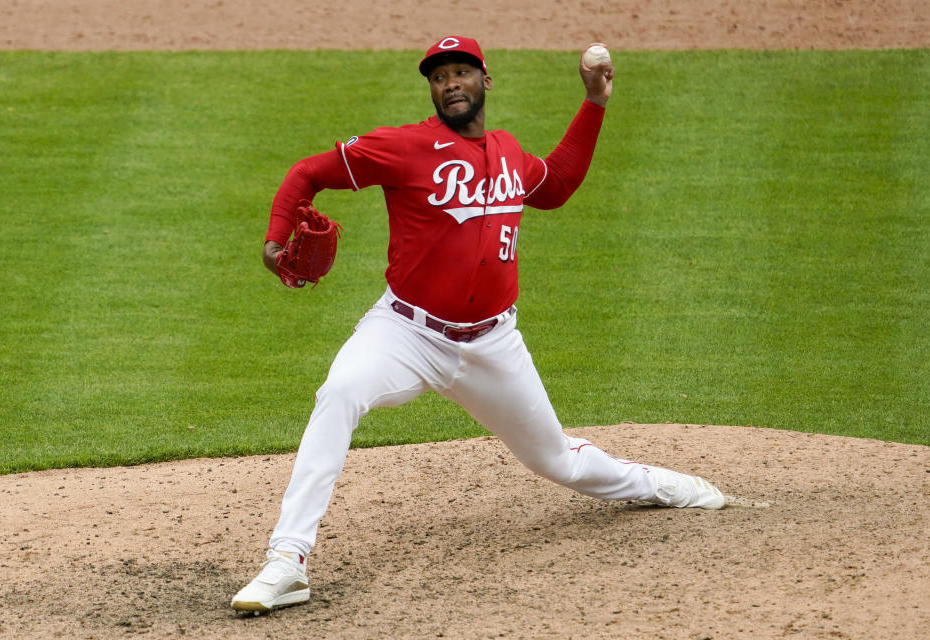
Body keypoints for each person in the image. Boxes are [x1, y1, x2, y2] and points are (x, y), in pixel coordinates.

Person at [231, 36, 725, 614]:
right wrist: (273, 239)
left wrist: (594, 103)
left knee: (555, 460)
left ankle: (659, 485)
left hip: (493, 342)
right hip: (406, 333)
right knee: (339, 392)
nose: (450, 85)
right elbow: (307, 173)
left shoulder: (510, 154)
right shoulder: (404, 146)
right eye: (439, 78)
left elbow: (557, 186)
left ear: (485, 81)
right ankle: (287, 561)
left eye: (462, 73)